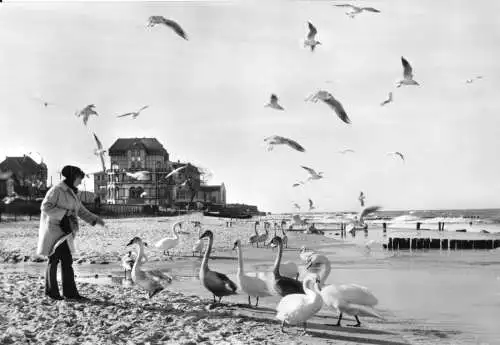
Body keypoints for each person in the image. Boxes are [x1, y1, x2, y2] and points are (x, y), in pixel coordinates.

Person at [37, 165, 105, 301]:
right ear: (73, 177)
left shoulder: (72, 193)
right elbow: (45, 207)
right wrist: (65, 214)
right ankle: (53, 293)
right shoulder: (57, 190)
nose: (81, 181)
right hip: (54, 230)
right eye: (80, 178)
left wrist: (96, 220)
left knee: (66, 261)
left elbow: (81, 211)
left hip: (66, 231)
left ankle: (68, 293)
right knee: (55, 259)